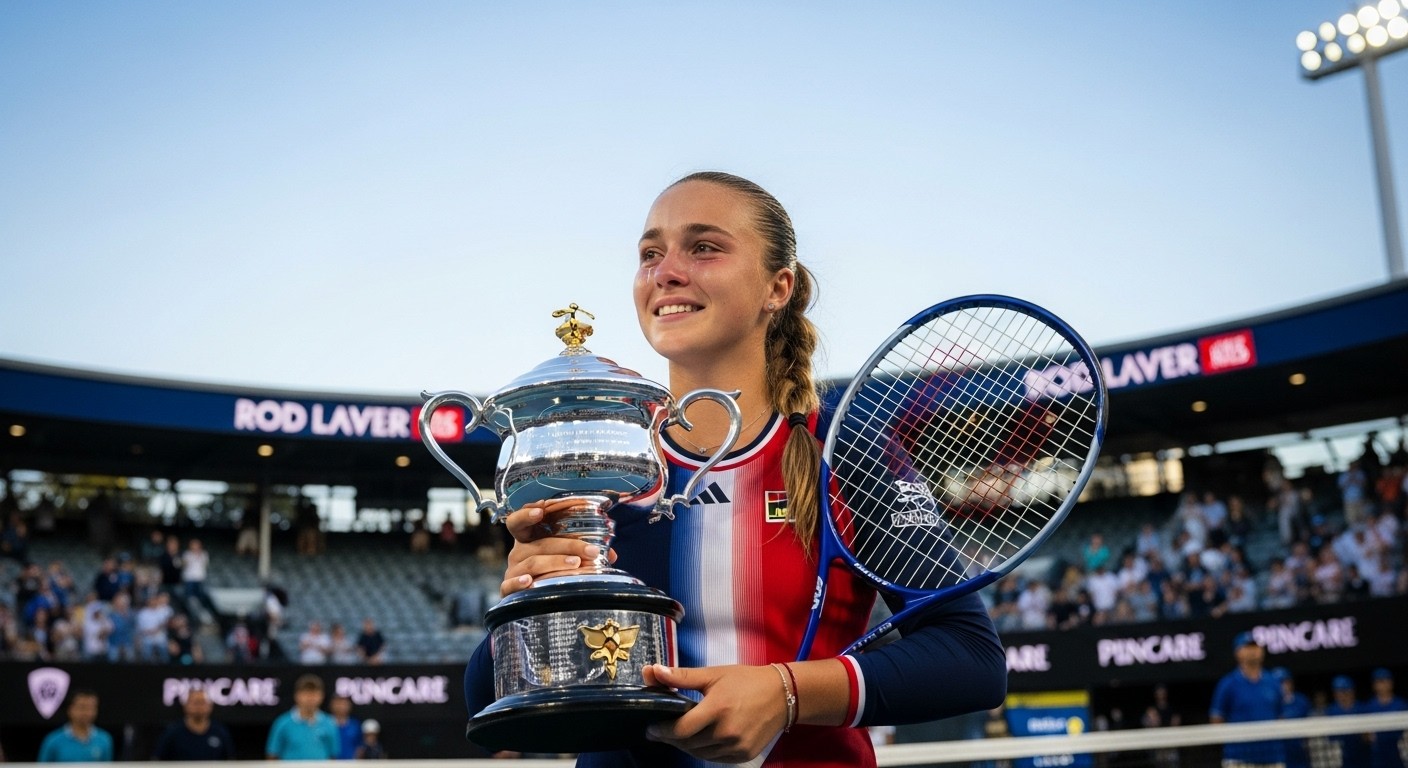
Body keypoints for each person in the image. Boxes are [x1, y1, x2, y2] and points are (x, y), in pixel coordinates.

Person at [465, 172, 1007, 767]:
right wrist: (526, 605)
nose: (665, 271)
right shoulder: (600, 460)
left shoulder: (842, 444)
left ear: (778, 286)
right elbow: (487, 706)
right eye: (650, 253)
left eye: (704, 246)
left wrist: (787, 693)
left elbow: (971, 658)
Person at [1209, 632, 1283, 767]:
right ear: (1238, 653)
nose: (1254, 651)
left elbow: (1279, 715)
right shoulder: (1227, 684)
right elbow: (1217, 719)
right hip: (1239, 759)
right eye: (1248, 647)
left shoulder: (1273, 681)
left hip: (1272, 756)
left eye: (1256, 647)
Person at [266, 674, 338, 760]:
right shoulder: (283, 723)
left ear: (322, 696)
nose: (310, 698)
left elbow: (333, 756)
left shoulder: (329, 722)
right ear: (297, 695)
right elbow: (272, 755)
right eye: (306, 693)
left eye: (314, 693)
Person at [152, 688, 235, 760]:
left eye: (202, 702)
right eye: (195, 703)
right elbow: (157, 759)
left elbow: (230, 760)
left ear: (210, 706)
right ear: (185, 706)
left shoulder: (220, 732)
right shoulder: (173, 732)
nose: (199, 707)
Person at [38, 690, 113, 762]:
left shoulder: (104, 739)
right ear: (70, 709)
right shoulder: (53, 740)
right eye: (82, 707)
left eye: (91, 708)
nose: (87, 713)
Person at [1362, 668, 1407, 768]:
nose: (1383, 685)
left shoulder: (1401, 704)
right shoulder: (1369, 706)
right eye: (1379, 681)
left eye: (1385, 681)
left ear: (1391, 683)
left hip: (1398, 754)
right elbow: (1365, 734)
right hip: (1377, 757)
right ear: (1374, 685)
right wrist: (1368, 736)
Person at [1270, 668, 1311, 768]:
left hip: (1299, 753)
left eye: (1285, 681)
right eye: (1278, 682)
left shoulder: (1302, 701)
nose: (1282, 686)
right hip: (1277, 755)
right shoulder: (1268, 703)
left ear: (1291, 682)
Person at [1326, 675, 1368, 768]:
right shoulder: (1331, 710)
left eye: (1345, 691)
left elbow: (1368, 735)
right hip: (1341, 756)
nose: (1343, 695)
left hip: (1363, 754)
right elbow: (1330, 737)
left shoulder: (1361, 708)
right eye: (1339, 691)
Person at [329, 695, 362, 760]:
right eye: (338, 703)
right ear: (332, 705)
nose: (341, 706)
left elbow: (360, 746)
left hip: (351, 763)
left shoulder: (355, 724)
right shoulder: (325, 723)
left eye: (344, 703)